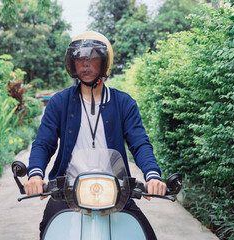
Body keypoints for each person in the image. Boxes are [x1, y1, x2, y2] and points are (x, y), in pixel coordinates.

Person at [24, 31, 166, 239]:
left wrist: (153, 175)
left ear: (104, 63)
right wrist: (35, 174)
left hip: (115, 191)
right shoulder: (59, 102)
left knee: (146, 235)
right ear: (72, 64)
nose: (85, 64)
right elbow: (43, 143)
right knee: (48, 228)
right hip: (67, 189)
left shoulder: (124, 103)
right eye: (80, 58)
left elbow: (140, 143)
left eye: (93, 58)